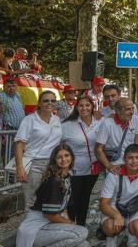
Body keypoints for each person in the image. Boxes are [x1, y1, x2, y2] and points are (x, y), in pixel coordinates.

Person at [16, 142, 90, 247]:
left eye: (67, 155)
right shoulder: (53, 182)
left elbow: (65, 208)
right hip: (36, 229)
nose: (64, 159)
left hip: (50, 226)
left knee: (84, 244)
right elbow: (50, 215)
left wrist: (70, 224)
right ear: (54, 160)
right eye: (59, 157)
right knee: (81, 232)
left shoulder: (66, 177)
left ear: (72, 157)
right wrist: (70, 224)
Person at [15, 90, 63, 209]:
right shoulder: (29, 120)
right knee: (32, 201)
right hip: (34, 164)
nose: (49, 103)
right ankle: (30, 227)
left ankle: (43, 226)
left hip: (53, 164)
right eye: (46, 100)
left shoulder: (56, 119)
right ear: (39, 103)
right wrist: (20, 167)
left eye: (52, 100)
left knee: (49, 199)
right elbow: (19, 145)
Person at [99, 144, 138, 247]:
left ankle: (131, 233)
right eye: (130, 158)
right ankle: (112, 236)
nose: (134, 161)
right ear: (124, 159)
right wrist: (116, 215)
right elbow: (103, 204)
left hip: (135, 206)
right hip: (115, 206)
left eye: (137, 158)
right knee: (110, 227)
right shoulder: (114, 174)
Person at [61, 95, 102, 226]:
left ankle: (81, 226)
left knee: (85, 198)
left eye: (87, 105)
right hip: (74, 169)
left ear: (92, 106)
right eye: (81, 105)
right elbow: (58, 145)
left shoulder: (100, 123)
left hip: (93, 168)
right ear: (76, 107)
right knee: (73, 199)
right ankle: (71, 225)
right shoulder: (68, 125)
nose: (84, 108)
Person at [95, 98, 138, 174]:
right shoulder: (107, 124)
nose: (131, 112)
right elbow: (98, 149)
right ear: (117, 111)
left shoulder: (136, 119)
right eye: (128, 109)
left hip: (132, 163)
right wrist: (109, 166)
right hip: (115, 165)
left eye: (132, 109)